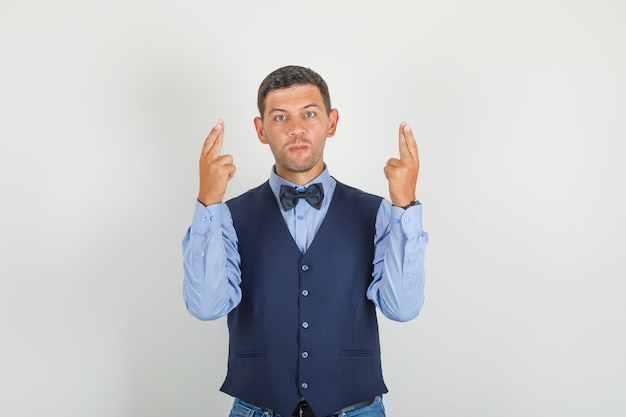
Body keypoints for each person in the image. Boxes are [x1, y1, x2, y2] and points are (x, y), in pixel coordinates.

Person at [182, 65, 428, 417]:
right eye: (280, 117)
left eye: (309, 114)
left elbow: (402, 309)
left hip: (356, 409)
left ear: (331, 122)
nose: (296, 129)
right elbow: (206, 307)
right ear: (261, 129)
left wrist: (405, 207)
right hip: (258, 408)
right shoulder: (227, 215)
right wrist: (208, 202)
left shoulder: (378, 212)